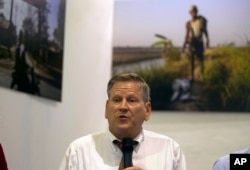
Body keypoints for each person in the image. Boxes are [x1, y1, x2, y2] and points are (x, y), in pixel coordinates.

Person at [59, 73, 186, 170]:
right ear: (106, 109)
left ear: (147, 110)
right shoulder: (79, 151)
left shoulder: (170, 150)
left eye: (131, 100)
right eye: (117, 100)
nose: (123, 107)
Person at [182, 5, 209, 81]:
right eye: (192, 12)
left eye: (194, 11)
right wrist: (184, 45)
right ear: (190, 13)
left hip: (199, 43)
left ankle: (202, 76)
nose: (193, 13)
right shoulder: (188, 23)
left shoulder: (201, 21)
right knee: (191, 60)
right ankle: (191, 77)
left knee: (200, 60)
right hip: (191, 43)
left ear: (196, 12)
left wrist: (207, 40)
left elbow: (205, 31)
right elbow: (186, 35)